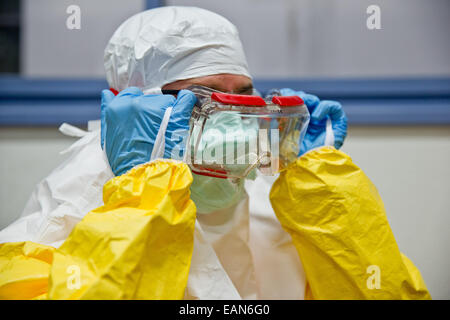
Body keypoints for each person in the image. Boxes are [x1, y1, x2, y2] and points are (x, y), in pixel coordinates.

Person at [0, 6, 430, 300]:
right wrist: (143, 199)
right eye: (200, 99)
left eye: (243, 96)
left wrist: (321, 191)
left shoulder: (280, 196)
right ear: (128, 105)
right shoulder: (69, 206)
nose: (232, 122)